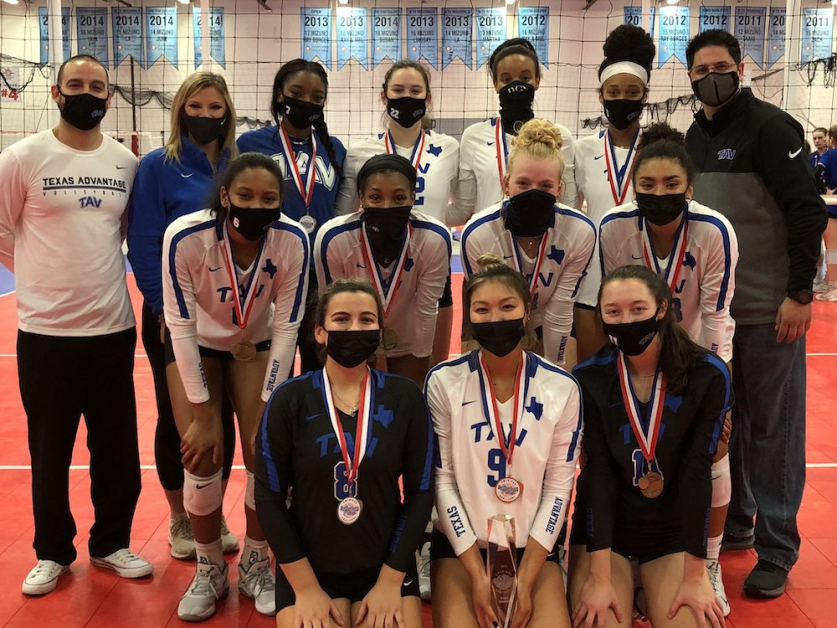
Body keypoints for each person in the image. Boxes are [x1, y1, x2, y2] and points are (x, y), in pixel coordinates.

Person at [0, 54, 152, 595]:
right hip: (45, 334)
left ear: (109, 96)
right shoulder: (22, 157)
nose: (87, 93)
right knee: (50, 451)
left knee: (116, 448)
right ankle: (52, 552)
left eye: (96, 85)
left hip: (112, 328)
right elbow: (2, 231)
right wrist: (41, 281)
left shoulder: (125, 164)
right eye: (76, 84)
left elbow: (126, 236)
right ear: (57, 93)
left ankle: (111, 543)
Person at [685, 29, 828, 598]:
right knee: (731, 423)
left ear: (740, 69)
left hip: (769, 310)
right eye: (701, 70)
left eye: (720, 67)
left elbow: (806, 211)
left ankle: (777, 546)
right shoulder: (694, 136)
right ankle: (740, 519)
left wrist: (800, 293)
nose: (711, 77)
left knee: (773, 429)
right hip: (716, 316)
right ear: (690, 77)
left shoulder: (771, 127)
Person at [598, 123, 738, 615]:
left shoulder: (714, 230)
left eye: (671, 184)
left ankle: (711, 562)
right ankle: (636, 563)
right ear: (633, 186)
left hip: (692, 360)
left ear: (690, 187)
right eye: (648, 184)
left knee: (713, 456)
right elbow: (611, 303)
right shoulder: (614, 227)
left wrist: (718, 395)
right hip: (633, 357)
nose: (659, 193)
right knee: (631, 457)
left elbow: (718, 317)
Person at [162, 153, 309, 620]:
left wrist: (268, 404)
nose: (256, 206)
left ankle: (255, 562)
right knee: (203, 452)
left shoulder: (292, 239)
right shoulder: (186, 236)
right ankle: (208, 567)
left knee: (266, 452)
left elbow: (287, 327)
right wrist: (203, 413)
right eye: (245, 195)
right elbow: (179, 326)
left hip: (257, 342)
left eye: (269, 198)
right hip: (197, 344)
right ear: (225, 196)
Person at [255, 279, 433, 628]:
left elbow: (421, 494)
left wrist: (390, 580)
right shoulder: (290, 400)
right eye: (341, 319)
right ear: (319, 332)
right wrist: (306, 589)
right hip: (309, 568)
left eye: (366, 320)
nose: (354, 328)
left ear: (379, 331)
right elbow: (268, 498)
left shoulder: (405, 397)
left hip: (384, 565)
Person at [569, 265, 730, 628]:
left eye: (638, 309)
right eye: (613, 312)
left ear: (662, 308)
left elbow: (696, 472)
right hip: (608, 531)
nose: (626, 320)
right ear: (601, 317)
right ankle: (627, 583)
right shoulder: (589, 378)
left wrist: (696, 574)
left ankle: (649, 586)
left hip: (670, 533)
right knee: (597, 621)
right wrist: (599, 577)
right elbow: (599, 475)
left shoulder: (708, 374)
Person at [427, 255, 582, 628]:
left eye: (507, 307)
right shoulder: (443, 382)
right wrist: (478, 577)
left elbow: (559, 489)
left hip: (533, 549)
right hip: (463, 547)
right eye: (482, 309)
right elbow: (443, 482)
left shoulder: (562, 387)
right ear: (469, 317)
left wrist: (525, 579)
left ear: (527, 311)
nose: (495, 318)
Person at [128, 71, 239, 560]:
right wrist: (162, 307)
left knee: (223, 417)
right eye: (196, 107)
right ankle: (179, 516)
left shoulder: (239, 163)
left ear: (227, 112)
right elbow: (143, 243)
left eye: (215, 108)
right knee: (179, 418)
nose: (205, 116)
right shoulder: (158, 165)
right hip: (173, 317)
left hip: (233, 314)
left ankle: (213, 514)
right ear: (180, 111)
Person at [336, 59, 458, 368]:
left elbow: (463, 207)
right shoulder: (360, 151)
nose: (407, 96)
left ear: (427, 98)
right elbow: (344, 215)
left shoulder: (449, 148)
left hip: (430, 268)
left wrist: (437, 228)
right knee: (371, 375)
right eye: (398, 90)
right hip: (373, 268)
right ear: (384, 96)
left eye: (415, 91)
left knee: (429, 372)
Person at [238, 59, 346, 374]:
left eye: (317, 97)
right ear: (280, 95)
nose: (306, 102)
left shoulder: (334, 149)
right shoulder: (250, 144)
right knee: (272, 368)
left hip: (318, 274)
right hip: (270, 269)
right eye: (297, 93)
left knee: (318, 367)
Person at [460, 118, 595, 367]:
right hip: (495, 318)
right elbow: (485, 310)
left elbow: (560, 311)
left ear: (559, 189)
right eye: (523, 183)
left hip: (547, 319)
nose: (534, 192)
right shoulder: (478, 234)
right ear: (506, 184)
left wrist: (555, 371)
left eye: (545, 185)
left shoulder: (579, 231)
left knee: (560, 375)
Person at [315, 154, 450, 386]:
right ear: (361, 197)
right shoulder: (334, 238)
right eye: (376, 198)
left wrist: (421, 362)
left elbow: (426, 308)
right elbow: (332, 308)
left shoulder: (434, 238)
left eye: (399, 198)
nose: (387, 207)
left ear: (413, 197)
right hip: (354, 334)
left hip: (409, 337)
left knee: (409, 395)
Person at [573, 23, 655, 363]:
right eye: (613, 91)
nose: (622, 99)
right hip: (592, 279)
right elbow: (569, 218)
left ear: (645, 96)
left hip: (647, 273)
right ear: (601, 95)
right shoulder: (580, 150)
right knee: (593, 374)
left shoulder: (658, 149)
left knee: (644, 373)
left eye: (632, 92)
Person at [456, 37, 578, 222]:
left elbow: (568, 206)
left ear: (537, 81)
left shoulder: (559, 135)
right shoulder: (473, 136)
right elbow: (464, 210)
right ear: (496, 83)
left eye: (525, 78)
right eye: (506, 79)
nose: (515, 86)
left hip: (545, 237)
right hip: (490, 237)